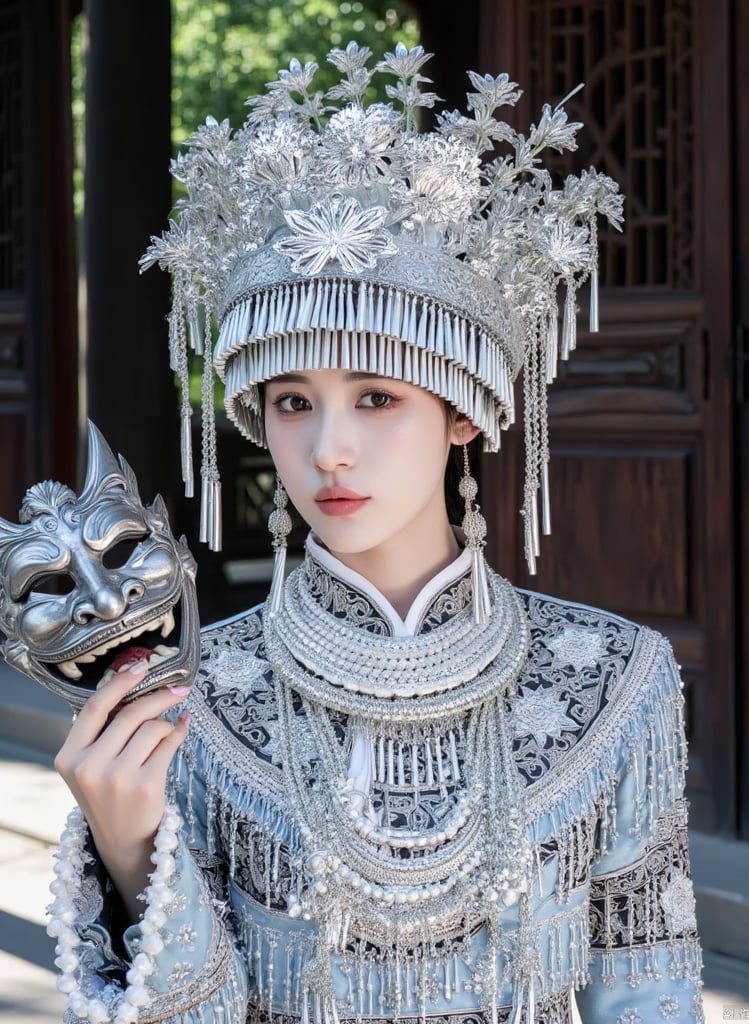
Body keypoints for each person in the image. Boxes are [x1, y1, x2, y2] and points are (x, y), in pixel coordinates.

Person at [50, 41, 704, 1024]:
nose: (330, 450)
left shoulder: (615, 681)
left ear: (466, 412)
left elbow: (649, 1000)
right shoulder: (193, 702)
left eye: (377, 395)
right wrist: (136, 852)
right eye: (293, 401)